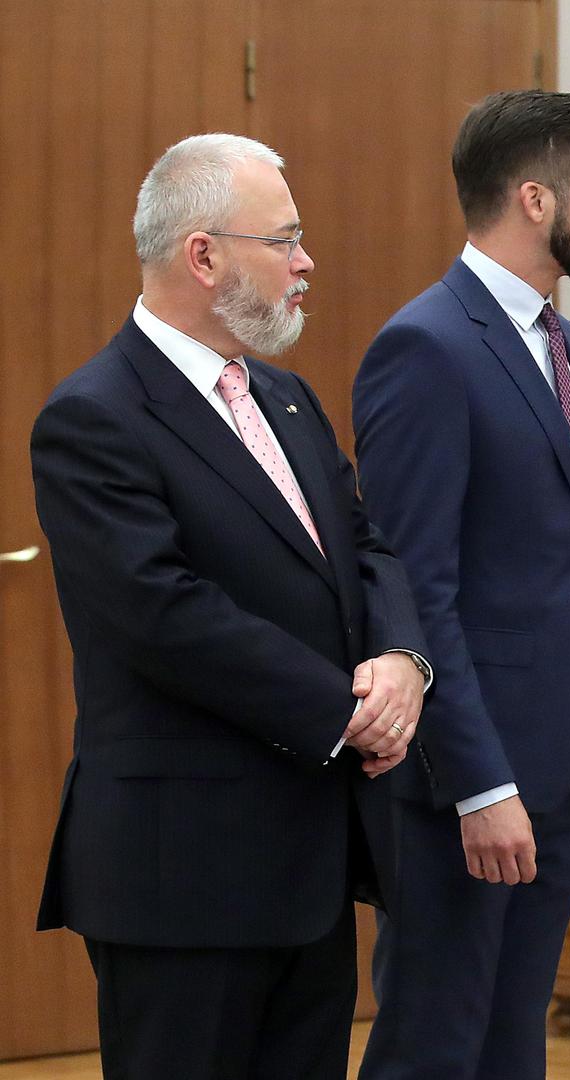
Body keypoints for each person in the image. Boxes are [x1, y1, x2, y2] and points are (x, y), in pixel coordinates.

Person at [29, 133, 430, 1079]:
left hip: (309, 865)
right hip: (182, 878)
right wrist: (347, 712)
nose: (306, 262)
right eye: (284, 240)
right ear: (203, 256)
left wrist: (403, 662)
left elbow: (365, 549)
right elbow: (163, 615)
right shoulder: (94, 416)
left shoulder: (284, 398)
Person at [351, 89, 570, 1080]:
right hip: (466, 785)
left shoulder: (562, 344)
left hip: (556, 772)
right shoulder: (426, 348)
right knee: (435, 1050)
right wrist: (479, 784)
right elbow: (414, 592)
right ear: (536, 199)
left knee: (510, 1050)